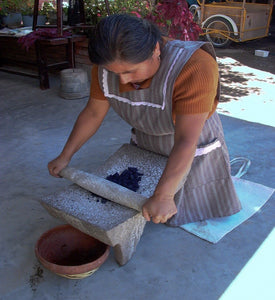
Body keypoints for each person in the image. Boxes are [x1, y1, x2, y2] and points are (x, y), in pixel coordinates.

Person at [48, 14, 241, 226]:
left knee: (190, 208)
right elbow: (93, 113)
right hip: (147, 139)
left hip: (191, 141)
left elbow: (186, 138)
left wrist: (164, 196)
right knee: (144, 200)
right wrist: (65, 156)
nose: (122, 80)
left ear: (156, 50)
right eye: (114, 72)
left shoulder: (195, 66)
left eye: (130, 71)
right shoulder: (105, 68)